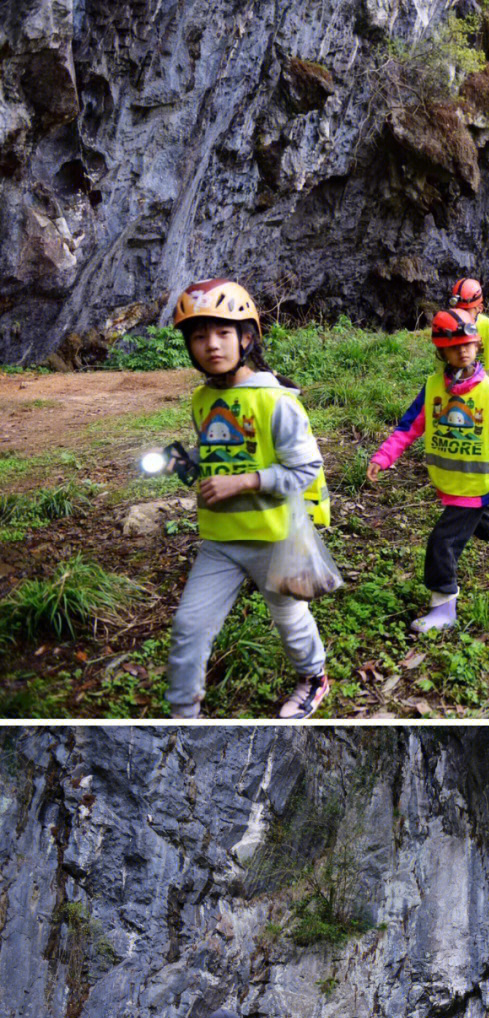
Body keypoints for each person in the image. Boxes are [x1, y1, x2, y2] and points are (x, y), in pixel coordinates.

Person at [166, 280, 333, 720]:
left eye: (223, 333)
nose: (211, 345)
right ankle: (183, 713)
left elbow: (306, 469)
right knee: (188, 626)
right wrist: (186, 463)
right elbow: (216, 453)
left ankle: (314, 678)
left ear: (246, 338)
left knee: (289, 620)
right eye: (199, 336)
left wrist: (242, 483)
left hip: (274, 536)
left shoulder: (276, 401)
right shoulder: (203, 400)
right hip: (220, 539)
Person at [366, 309, 489, 635]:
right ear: (441, 351)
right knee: (481, 526)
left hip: (473, 485)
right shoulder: (433, 389)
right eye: (455, 346)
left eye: (469, 344)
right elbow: (408, 428)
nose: (464, 351)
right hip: (451, 483)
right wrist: (383, 457)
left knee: (442, 543)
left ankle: (443, 607)